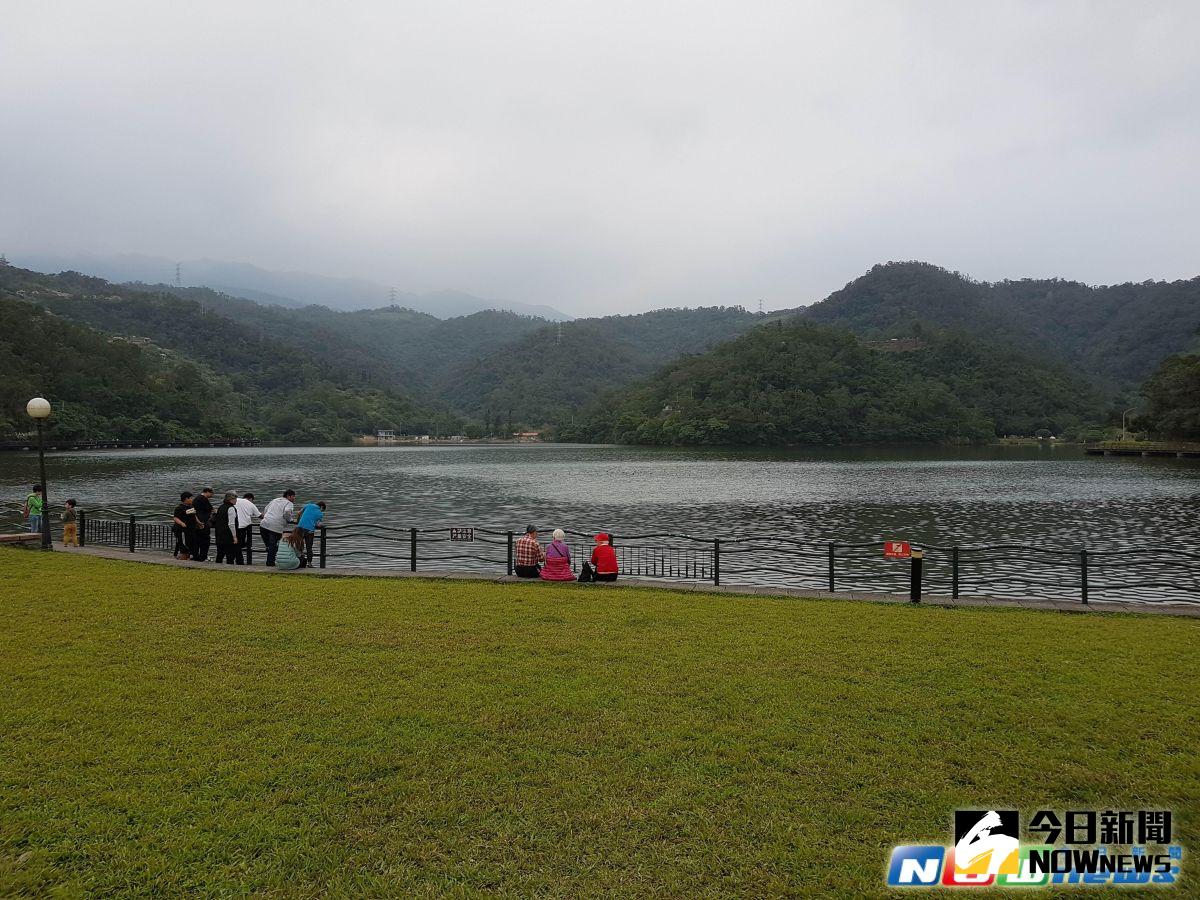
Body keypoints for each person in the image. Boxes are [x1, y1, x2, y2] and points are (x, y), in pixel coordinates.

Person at [259, 489, 297, 567]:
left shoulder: (275, 500)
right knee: (273, 545)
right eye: (293, 496)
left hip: (264, 524)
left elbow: (265, 510)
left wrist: (267, 517)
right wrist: (290, 519)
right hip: (275, 527)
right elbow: (287, 512)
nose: (294, 498)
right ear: (288, 496)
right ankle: (270, 563)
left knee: (269, 546)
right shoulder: (289, 503)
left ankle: (271, 561)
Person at [294, 500, 326, 566]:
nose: (322, 512)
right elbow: (317, 524)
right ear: (322, 507)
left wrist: (298, 522)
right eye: (322, 510)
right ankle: (309, 563)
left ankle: (298, 560)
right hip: (309, 530)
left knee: (298, 544)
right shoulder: (320, 513)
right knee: (309, 547)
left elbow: (299, 513)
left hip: (300, 527)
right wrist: (321, 525)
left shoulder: (309, 505)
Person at [213, 491, 242, 565]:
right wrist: (235, 537)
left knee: (220, 554)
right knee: (230, 555)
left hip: (219, 533)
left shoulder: (221, 507)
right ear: (231, 499)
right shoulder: (231, 508)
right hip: (228, 535)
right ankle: (230, 568)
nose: (236, 500)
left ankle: (217, 567)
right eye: (235, 499)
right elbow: (231, 524)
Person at [172, 492, 199, 560]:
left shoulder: (191, 507)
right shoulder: (179, 508)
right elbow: (175, 518)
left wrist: (199, 523)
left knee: (192, 543)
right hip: (182, 530)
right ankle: (183, 557)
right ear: (186, 499)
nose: (192, 499)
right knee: (183, 543)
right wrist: (181, 523)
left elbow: (194, 516)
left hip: (191, 529)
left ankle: (191, 555)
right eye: (190, 498)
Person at [234, 491, 260, 559]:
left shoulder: (236, 500)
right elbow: (259, 515)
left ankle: (232, 560)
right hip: (243, 527)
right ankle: (241, 560)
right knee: (240, 545)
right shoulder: (251, 504)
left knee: (234, 545)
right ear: (251, 499)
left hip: (234, 525)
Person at [191, 487, 215, 562]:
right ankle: (203, 557)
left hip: (196, 523)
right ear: (207, 492)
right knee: (205, 541)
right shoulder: (203, 499)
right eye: (211, 493)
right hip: (203, 523)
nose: (212, 495)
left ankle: (196, 556)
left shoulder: (197, 498)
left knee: (196, 541)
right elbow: (211, 509)